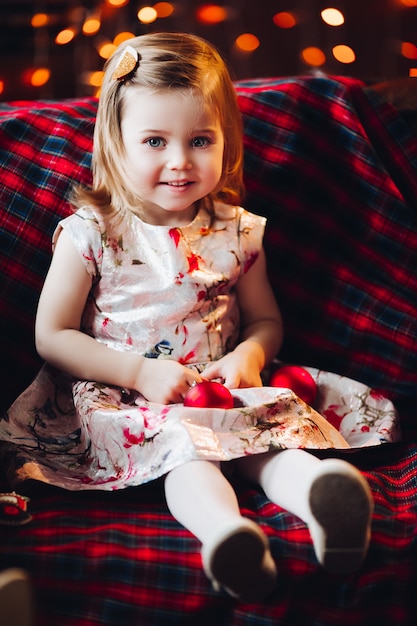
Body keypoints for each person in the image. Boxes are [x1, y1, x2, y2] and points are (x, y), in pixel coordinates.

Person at [21, 33, 373, 602]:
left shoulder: (235, 229)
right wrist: (139, 374)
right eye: (155, 140)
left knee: (268, 439)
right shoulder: (93, 233)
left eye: (200, 140)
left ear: (226, 141)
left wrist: (248, 356)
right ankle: (227, 536)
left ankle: (323, 495)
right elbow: (51, 335)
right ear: (116, 142)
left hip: (221, 385)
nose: (180, 161)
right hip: (129, 395)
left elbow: (266, 322)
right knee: (185, 450)